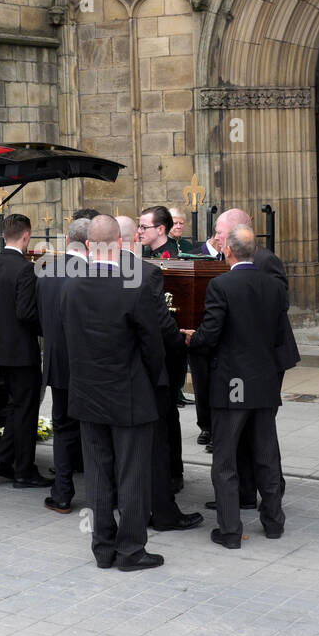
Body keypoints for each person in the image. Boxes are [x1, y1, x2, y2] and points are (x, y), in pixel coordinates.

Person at [62, 216, 166, 571]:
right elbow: (153, 347)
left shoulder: (70, 287)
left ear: (89, 246)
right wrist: (152, 383)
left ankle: (103, 548)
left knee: (98, 475)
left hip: (88, 395)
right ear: (120, 245)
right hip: (129, 395)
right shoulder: (133, 286)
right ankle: (131, 551)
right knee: (132, 474)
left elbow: (67, 341)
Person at [184, 226, 298, 547]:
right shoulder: (274, 287)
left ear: (229, 252)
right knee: (266, 454)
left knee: (225, 458)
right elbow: (278, 338)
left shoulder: (221, 284)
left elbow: (211, 334)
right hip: (264, 382)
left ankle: (230, 530)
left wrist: (193, 338)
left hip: (232, 383)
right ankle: (274, 522)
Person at [117, 215, 202, 531]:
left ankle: (120, 505)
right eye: (138, 229)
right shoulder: (145, 274)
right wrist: (182, 346)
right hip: (144, 375)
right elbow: (161, 327)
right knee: (155, 444)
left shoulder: (84, 273)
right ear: (132, 239)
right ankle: (163, 513)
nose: (141, 233)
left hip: (104, 378)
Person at [0, 214, 51, 488]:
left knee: (16, 407)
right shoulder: (25, 268)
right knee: (27, 409)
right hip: (21, 352)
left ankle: (2, 460)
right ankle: (24, 471)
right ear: (25, 236)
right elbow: (26, 313)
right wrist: (47, 328)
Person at [37, 217, 90, 512]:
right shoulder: (96, 272)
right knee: (93, 429)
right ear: (89, 243)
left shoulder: (46, 271)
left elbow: (39, 317)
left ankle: (62, 493)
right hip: (89, 365)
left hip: (58, 361)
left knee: (62, 427)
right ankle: (103, 494)